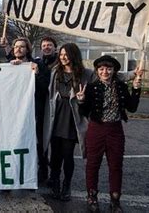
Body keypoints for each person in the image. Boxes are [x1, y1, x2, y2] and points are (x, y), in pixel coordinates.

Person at [78, 55, 142, 213]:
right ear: (97, 71)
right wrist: (81, 100)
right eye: (101, 69)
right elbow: (84, 111)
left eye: (108, 69)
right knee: (92, 164)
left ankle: (115, 199)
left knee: (116, 165)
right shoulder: (91, 87)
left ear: (114, 71)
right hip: (96, 129)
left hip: (115, 129)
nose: (105, 72)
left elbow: (132, 107)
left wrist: (135, 89)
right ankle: (92, 196)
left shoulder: (120, 86)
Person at [43, 43, 91, 201]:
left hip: (71, 118)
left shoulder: (85, 74)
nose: (63, 57)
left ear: (74, 55)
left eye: (66, 54)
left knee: (68, 154)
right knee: (55, 155)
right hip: (55, 117)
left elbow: (109, 75)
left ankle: (67, 185)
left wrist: (133, 75)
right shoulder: (56, 71)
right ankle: (55, 182)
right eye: (61, 54)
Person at [8, 38, 49, 183]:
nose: (18, 49)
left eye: (22, 47)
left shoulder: (37, 65)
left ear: (27, 49)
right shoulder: (8, 67)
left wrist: (36, 74)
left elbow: (45, 88)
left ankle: (42, 172)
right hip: (15, 113)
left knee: (37, 142)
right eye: (16, 47)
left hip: (34, 111)